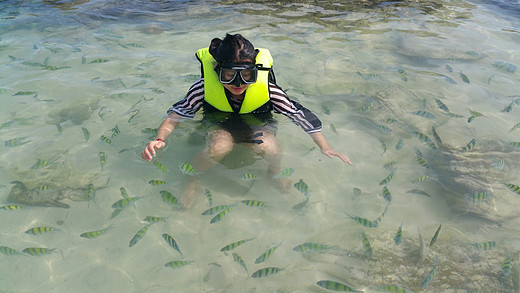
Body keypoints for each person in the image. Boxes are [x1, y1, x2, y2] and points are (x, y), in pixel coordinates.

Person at [141, 33, 352, 208]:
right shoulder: (202, 88)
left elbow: (298, 115)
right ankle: (191, 178)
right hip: (219, 124)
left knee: (269, 147)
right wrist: (159, 139)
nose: (238, 83)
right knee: (220, 147)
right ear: (218, 72)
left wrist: (325, 146)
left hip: (257, 124)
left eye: (247, 76)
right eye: (229, 75)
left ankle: (274, 172)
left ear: (256, 73)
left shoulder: (269, 90)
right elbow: (176, 115)